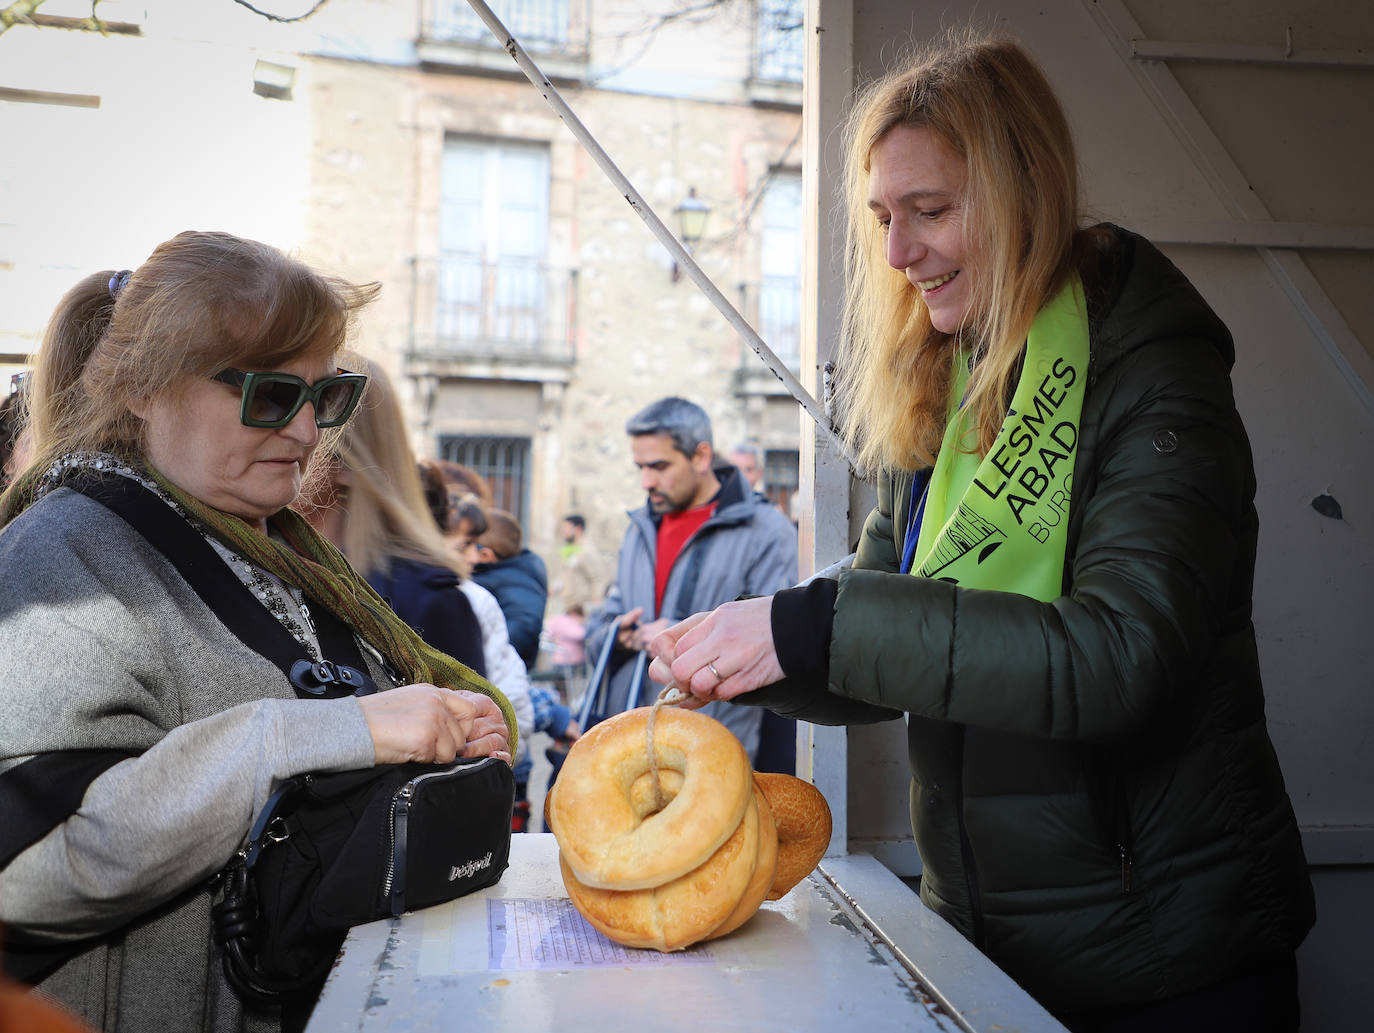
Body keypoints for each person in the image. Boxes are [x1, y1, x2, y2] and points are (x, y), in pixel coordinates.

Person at [646, 34, 1315, 1032]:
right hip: (984, 943)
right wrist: (754, 647)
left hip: (1168, 962)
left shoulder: (1151, 370)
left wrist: (811, 629)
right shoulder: (950, 381)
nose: (896, 253)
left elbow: (1120, 657)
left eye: (930, 210)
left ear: (1024, 193)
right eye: (881, 216)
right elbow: (883, 624)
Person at [0, 231, 514, 1033]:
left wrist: (434, 731)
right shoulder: (62, 557)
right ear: (143, 385)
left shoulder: (269, 544)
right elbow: (27, 871)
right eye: (272, 396)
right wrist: (324, 731)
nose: (309, 434)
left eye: (328, 397)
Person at [298, 359, 535, 789]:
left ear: (343, 462)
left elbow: (468, 775)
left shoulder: (427, 598)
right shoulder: (264, 569)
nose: (284, 434)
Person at [584, 396, 798, 762]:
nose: (646, 482)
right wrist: (616, 634)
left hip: (717, 754)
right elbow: (609, 615)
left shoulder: (767, 530)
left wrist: (680, 638)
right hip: (633, 747)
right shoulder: (639, 530)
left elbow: (779, 643)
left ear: (700, 457)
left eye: (659, 466)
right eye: (640, 467)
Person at [464, 508, 549, 672]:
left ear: (485, 555)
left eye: (468, 545)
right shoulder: (513, 573)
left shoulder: (517, 581)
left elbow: (523, 629)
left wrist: (479, 654)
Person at [554, 513, 608, 615]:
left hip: (582, 610)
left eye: (567, 528)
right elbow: (565, 575)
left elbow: (599, 578)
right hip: (569, 607)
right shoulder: (569, 550)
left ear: (578, 529)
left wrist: (595, 602)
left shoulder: (588, 550)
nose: (563, 531)